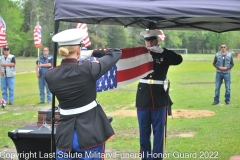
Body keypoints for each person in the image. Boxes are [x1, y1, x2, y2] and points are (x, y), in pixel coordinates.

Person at [44, 28, 122, 160]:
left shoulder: (50, 75)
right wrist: (91, 52)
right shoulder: (88, 68)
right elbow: (116, 52)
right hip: (90, 133)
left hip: (65, 137)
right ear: (79, 50)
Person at [136, 30, 183, 160]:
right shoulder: (141, 54)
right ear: (145, 41)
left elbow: (178, 59)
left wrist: (163, 51)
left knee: (158, 132)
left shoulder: (164, 54)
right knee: (144, 132)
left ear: (157, 40)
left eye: (152, 40)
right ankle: (145, 157)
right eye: (147, 40)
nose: (150, 43)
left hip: (159, 97)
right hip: (143, 97)